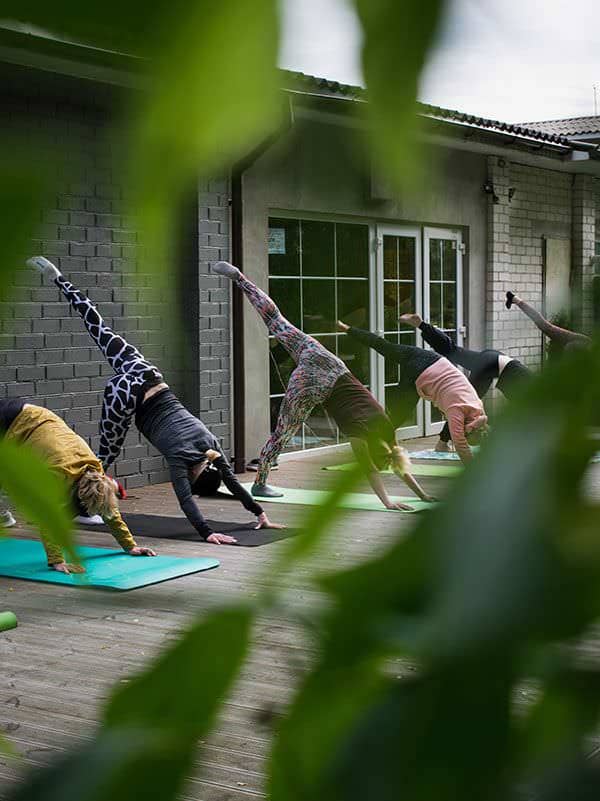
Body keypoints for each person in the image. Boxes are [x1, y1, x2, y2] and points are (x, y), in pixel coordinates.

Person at [27, 256, 283, 545]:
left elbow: (232, 483)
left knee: (99, 327)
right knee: (102, 460)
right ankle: (78, 508)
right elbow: (187, 501)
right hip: (126, 397)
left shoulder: (211, 446)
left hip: (148, 375)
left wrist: (260, 513)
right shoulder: (180, 460)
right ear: (195, 475)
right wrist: (207, 532)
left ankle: (60, 279)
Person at [212, 261, 435, 510]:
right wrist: (412, 498)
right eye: (386, 456)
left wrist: (404, 499)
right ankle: (260, 483)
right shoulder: (373, 436)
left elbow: (379, 468)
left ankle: (241, 279)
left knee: (283, 429)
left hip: (323, 371)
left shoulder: (372, 434)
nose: (387, 453)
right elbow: (386, 467)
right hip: (320, 374)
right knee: (283, 431)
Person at [0, 399, 155, 573]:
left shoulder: (96, 473)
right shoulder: (58, 476)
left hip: (36, 415)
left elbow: (110, 513)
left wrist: (130, 546)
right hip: (10, 421)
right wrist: (57, 561)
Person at [338, 323, 489, 465]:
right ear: (469, 430)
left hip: (430, 358)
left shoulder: (478, 406)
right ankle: (374, 447)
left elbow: (480, 425)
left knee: (384, 346)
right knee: (398, 416)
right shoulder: (457, 410)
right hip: (420, 373)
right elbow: (460, 443)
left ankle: (346, 328)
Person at [399, 313, 531, 452]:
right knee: (462, 403)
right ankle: (442, 443)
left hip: (494, 359)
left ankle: (421, 325)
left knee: (454, 351)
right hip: (491, 366)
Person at [505, 291, 591, 353]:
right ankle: (515, 299)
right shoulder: (583, 346)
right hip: (578, 342)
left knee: (544, 325)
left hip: (579, 341)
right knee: (544, 325)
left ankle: (514, 299)